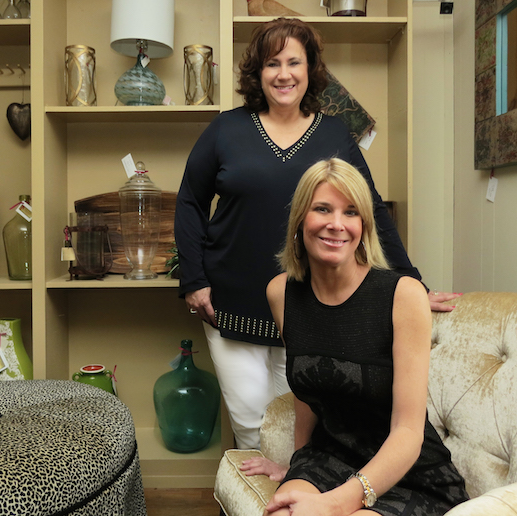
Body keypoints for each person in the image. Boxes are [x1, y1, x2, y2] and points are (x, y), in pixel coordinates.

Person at [174, 17, 459, 450]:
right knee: (252, 424)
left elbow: (371, 209)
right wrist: (194, 281)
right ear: (258, 72)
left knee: (301, 426)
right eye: (272, 63)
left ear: (310, 70)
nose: (283, 74)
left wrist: (411, 283)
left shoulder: (333, 133)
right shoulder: (224, 130)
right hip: (232, 301)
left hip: (312, 304)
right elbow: (190, 203)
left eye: (294, 62)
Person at [241, 158, 468, 516]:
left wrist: (335, 503)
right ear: (300, 219)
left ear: (364, 225)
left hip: (404, 473)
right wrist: (297, 468)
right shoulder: (281, 293)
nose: (336, 224)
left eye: (351, 212)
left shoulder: (403, 295)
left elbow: (408, 431)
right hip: (327, 457)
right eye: (322, 209)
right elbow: (309, 389)